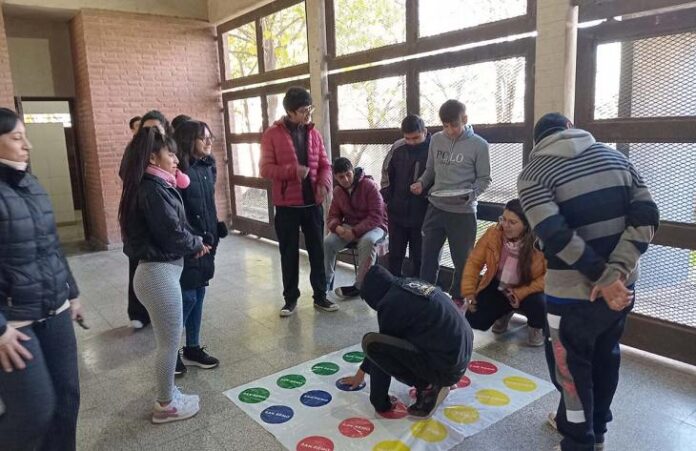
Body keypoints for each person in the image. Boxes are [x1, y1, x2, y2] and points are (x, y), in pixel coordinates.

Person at [518, 113, 659, 451]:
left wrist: (604, 277)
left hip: (572, 296)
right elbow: (647, 215)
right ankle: (597, 433)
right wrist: (618, 272)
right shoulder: (617, 159)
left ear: (538, 142)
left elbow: (554, 234)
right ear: (570, 128)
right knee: (606, 357)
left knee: (570, 370)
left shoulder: (534, 173)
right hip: (622, 292)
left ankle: (579, 442)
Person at [0, 107, 84, 450]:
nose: (27, 145)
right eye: (16, 138)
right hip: (14, 323)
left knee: (67, 400)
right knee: (34, 411)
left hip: (55, 307)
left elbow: (52, 246)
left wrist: (72, 292)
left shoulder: (31, 184)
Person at [119, 126, 211, 423]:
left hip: (159, 273)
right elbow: (171, 232)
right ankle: (165, 404)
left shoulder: (154, 185)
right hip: (158, 275)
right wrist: (196, 244)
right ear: (153, 158)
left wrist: (192, 242)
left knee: (167, 342)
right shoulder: (152, 189)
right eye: (170, 154)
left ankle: (168, 393)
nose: (176, 160)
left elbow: (172, 228)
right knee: (169, 345)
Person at [340, 265, 473, 418]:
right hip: (460, 357)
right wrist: (361, 373)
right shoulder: (407, 285)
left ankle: (430, 387)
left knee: (370, 342)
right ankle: (443, 378)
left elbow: (379, 351)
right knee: (392, 339)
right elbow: (388, 340)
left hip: (447, 367)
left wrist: (380, 403)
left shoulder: (390, 304)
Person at [259, 86, 335, 317]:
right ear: (290, 112)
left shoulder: (314, 133)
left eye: (310, 108)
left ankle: (320, 296)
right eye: (303, 110)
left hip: (313, 204)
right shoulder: (272, 134)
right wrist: (293, 171)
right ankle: (290, 299)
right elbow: (265, 169)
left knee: (317, 252)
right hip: (287, 207)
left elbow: (325, 165)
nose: (308, 114)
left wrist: (324, 184)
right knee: (289, 253)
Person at [410, 99, 491, 303]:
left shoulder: (479, 145)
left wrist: (471, 195)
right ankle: (426, 298)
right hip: (436, 207)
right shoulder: (437, 139)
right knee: (428, 257)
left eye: (454, 125)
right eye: (445, 126)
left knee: (463, 261)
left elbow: (484, 179)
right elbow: (430, 170)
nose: (450, 130)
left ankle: (458, 300)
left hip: (463, 212)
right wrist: (421, 183)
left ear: (465, 119)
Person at [173, 120, 226, 375]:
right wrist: (193, 240)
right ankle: (171, 352)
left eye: (209, 137)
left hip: (207, 241)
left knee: (200, 294)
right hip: (190, 244)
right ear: (188, 140)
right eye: (202, 138)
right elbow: (178, 214)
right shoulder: (179, 172)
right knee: (188, 297)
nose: (208, 142)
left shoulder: (207, 166)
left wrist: (215, 227)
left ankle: (192, 347)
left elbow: (206, 205)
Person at [460, 199, 547, 346]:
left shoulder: (540, 241)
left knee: (540, 304)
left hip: (530, 288)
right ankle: (505, 312)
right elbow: (474, 262)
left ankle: (536, 326)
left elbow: (550, 276)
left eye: (512, 222)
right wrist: (469, 290)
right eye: (503, 219)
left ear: (527, 225)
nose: (505, 225)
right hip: (500, 284)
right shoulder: (493, 233)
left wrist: (520, 293)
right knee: (473, 319)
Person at [120, 110, 172, 329]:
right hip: (139, 210)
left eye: (156, 128)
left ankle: (166, 310)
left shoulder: (169, 148)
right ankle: (138, 312)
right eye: (147, 128)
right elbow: (124, 173)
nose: (151, 133)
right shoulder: (133, 149)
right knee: (138, 262)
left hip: (164, 208)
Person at [325, 157, 388, 299]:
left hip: (376, 226)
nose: (346, 179)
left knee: (368, 241)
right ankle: (326, 282)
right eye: (341, 177)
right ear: (336, 177)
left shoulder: (369, 185)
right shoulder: (338, 191)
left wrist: (354, 232)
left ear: (353, 171)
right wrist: (338, 228)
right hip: (350, 226)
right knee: (328, 242)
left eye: (348, 174)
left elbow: (377, 215)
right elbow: (332, 216)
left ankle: (360, 286)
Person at [380, 114, 430, 277]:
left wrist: (426, 193)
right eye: (407, 138)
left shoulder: (434, 149)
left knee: (420, 259)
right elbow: (386, 173)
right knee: (394, 257)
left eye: (416, 138)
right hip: (397, 213)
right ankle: (393, 289)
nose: (412, 142)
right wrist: (388, 198)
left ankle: (417, 290)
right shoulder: (397, 147)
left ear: (425, 132)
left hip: (423, 215)